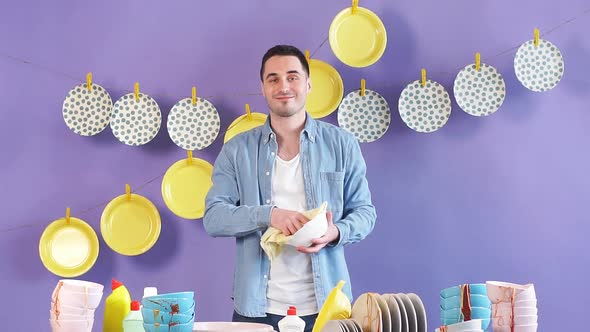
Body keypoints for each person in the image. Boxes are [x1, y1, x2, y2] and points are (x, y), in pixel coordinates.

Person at [203, 45, 376, 332]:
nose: (284, 86)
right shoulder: (237, 150)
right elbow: (213, 217)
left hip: (327, 308)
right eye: (273, 79)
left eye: (292, 77)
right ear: (263, 88)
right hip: (255, 309)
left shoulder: (342, 144)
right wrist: (270, 215)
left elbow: (365, 212)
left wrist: (334, 233)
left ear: (308, 84)